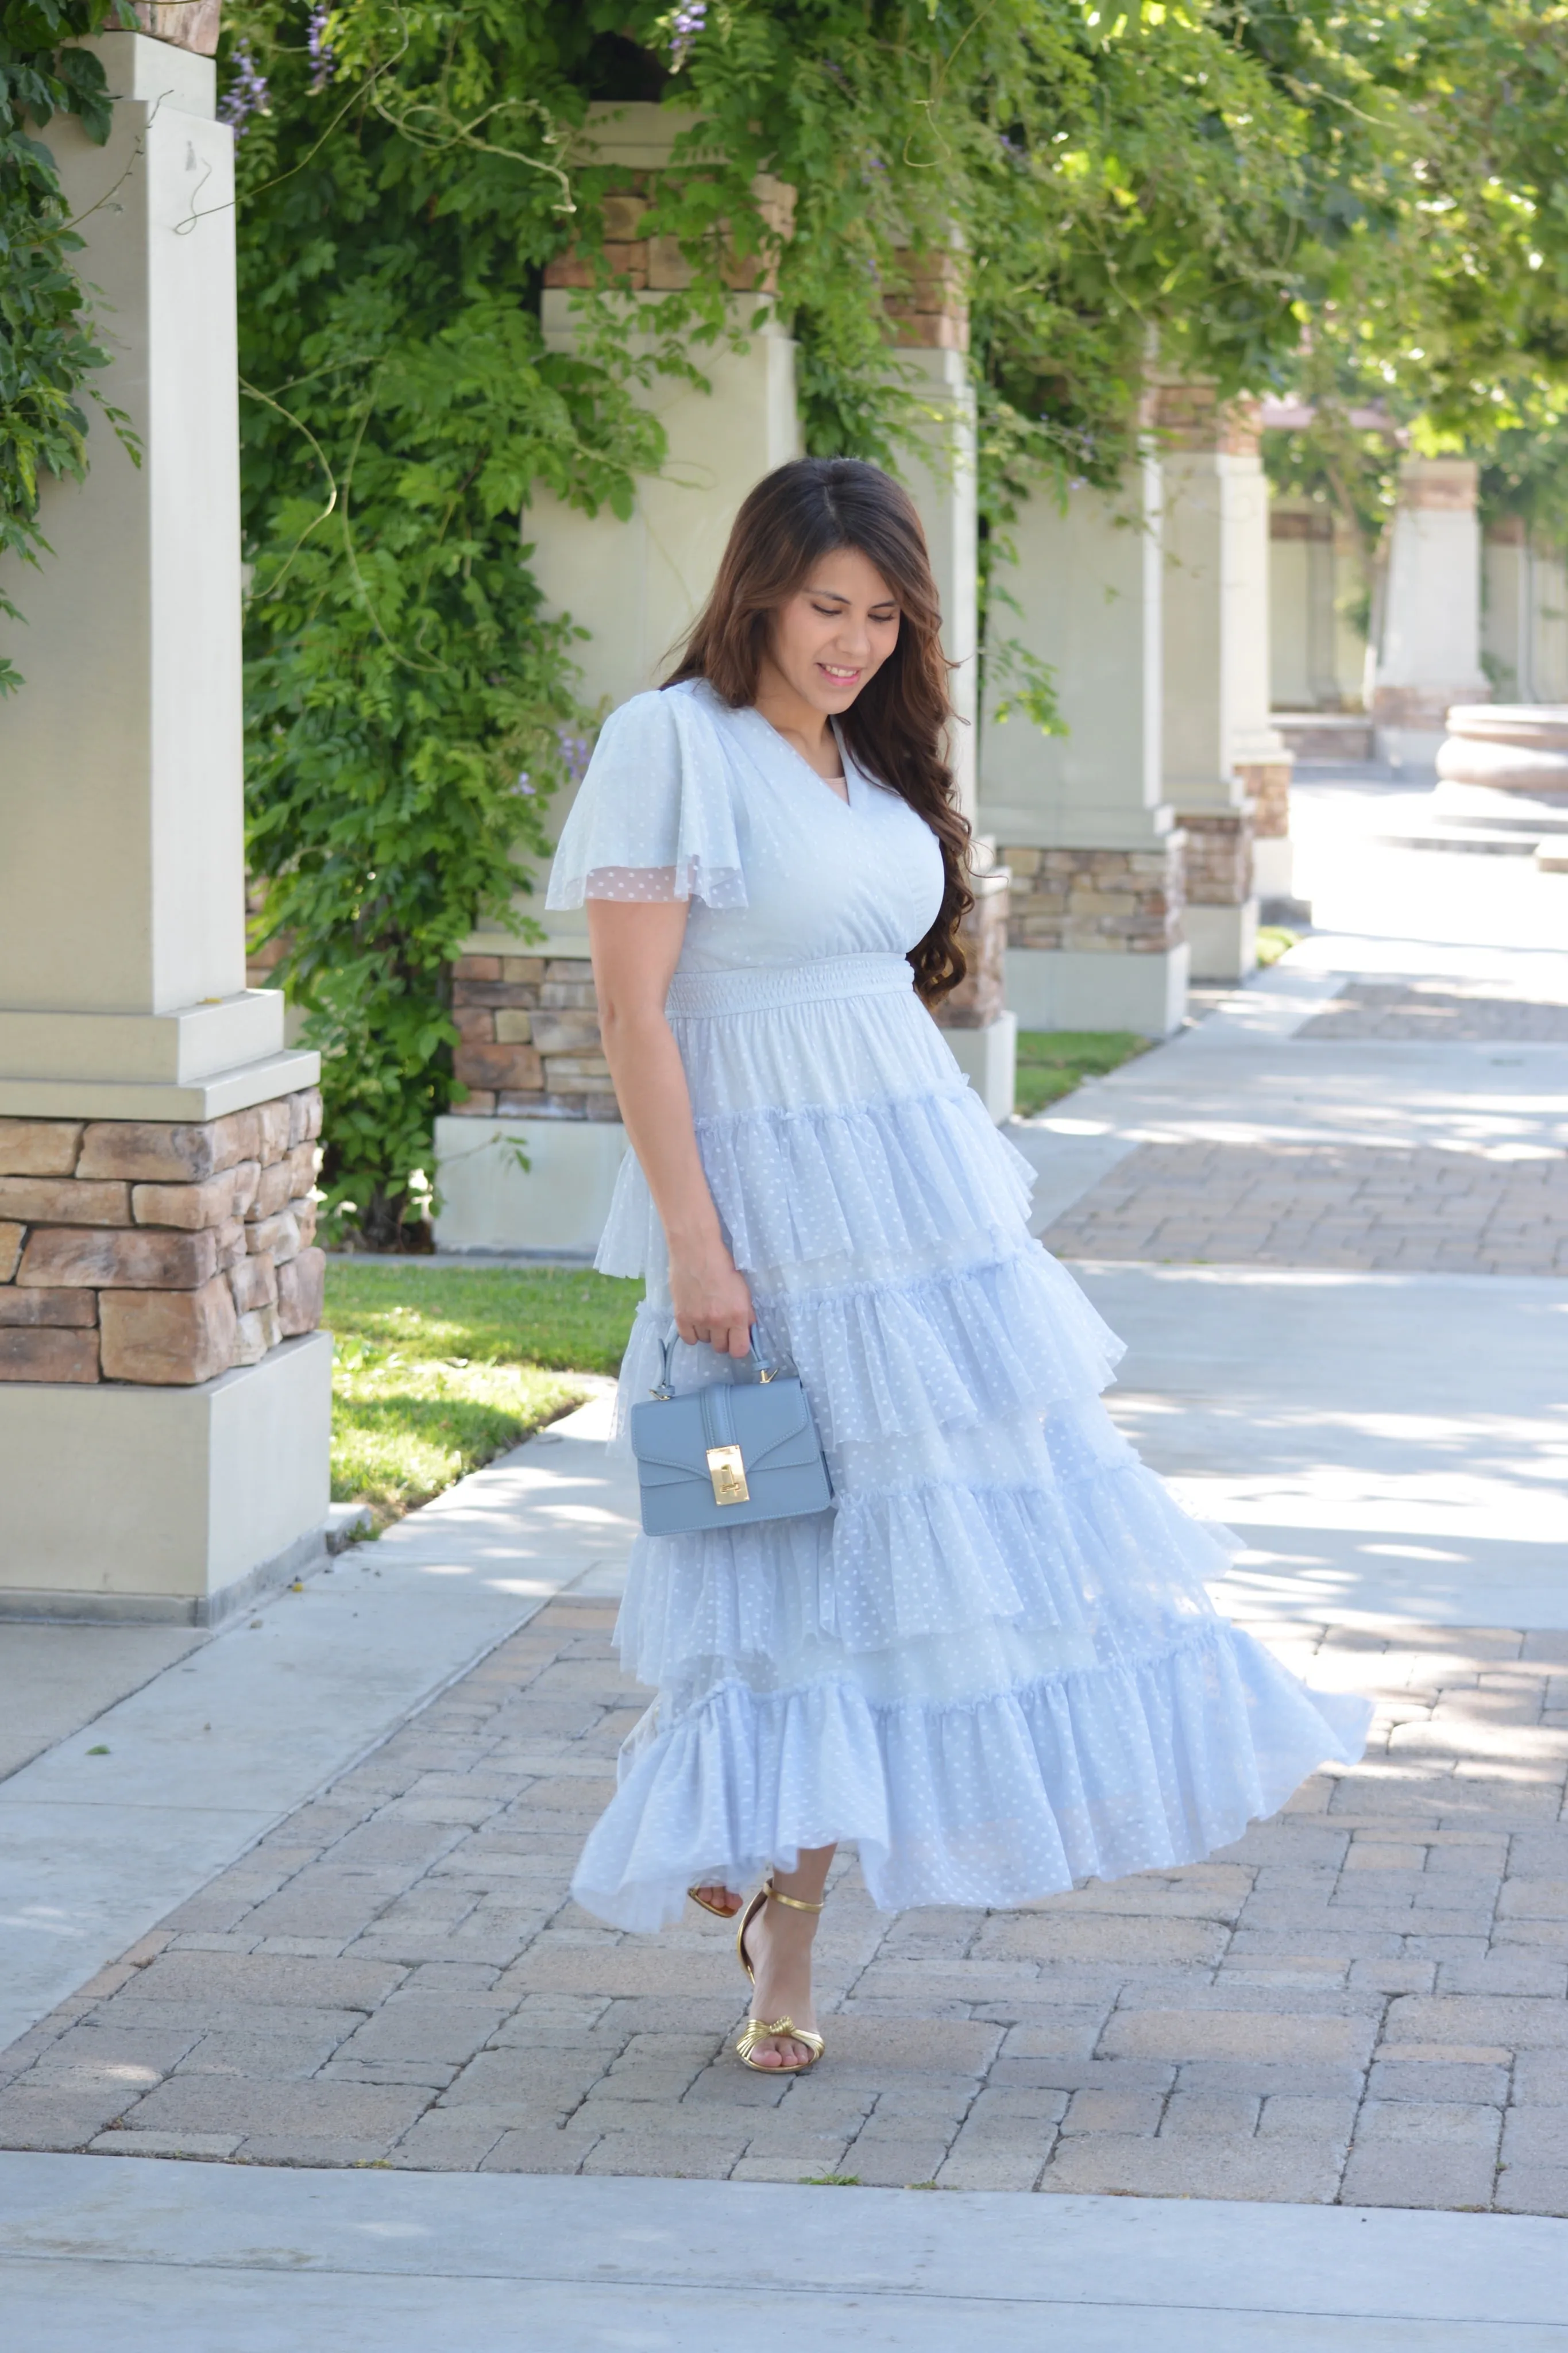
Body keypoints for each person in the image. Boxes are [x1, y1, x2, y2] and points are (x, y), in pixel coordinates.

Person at [546, 456, 1370, 2076]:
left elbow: (869, 988)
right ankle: (767, 1927)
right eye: (825, 608)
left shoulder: (866, 762)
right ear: (759, 590)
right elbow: (638, 1017)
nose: (851, 643)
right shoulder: (671, 746)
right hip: (764, 1234)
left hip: (917, 1224)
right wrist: (700, 1246)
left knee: (917, 1566)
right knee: (772, 1559)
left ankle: (779, 1911)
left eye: (882, 617)